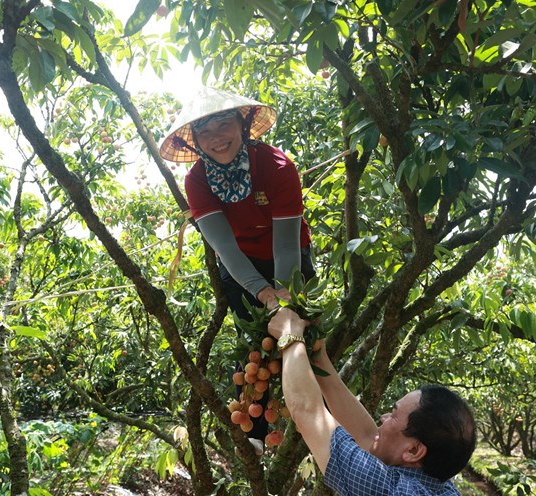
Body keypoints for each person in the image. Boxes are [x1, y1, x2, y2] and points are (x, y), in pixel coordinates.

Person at [159, 87, 315, 452]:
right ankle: (256, 432)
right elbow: (224, 246)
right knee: (256, 343)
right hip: (240, 261)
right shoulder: (197, 181)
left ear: (243, 125)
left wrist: (284, 295)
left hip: (289, 258)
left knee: (296, 334)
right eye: (205, 132)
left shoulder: (277, 168)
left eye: (223, 125)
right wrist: (262, 293)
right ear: (195, 141)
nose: (216, 138)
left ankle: (307, 420)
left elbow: (287, 244)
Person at [268, 308, 476, 495]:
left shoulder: (387, 491)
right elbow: (368, 437)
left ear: (413, 451)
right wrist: (318, 358)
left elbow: (306, 411)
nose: (383, 418)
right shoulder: (439, 485)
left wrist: (289, 335)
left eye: (393, 416)